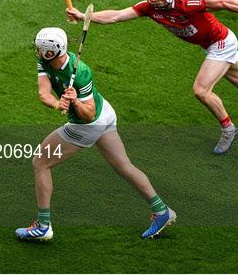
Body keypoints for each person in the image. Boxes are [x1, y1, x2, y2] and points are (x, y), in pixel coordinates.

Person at [67, 0, 238, 154]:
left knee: (201, 90)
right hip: (213, 45)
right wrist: (85, 16)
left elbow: (224, 3)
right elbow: (117, 15)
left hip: (221, 43)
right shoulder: (150, 8)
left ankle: (228, 129)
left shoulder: (187, 3)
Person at [15, 27, 176, 240]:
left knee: (40, 163)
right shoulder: (45, 61)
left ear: (50, 51)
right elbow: (43, 93)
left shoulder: (80, 72)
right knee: (123, 166)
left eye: (40, 48)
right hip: (105, 114)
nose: (37, 50)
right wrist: (57, 103)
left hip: (89, 123)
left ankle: (43, 226)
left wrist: (75, 102)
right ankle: (162, 211)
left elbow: (88, 115)